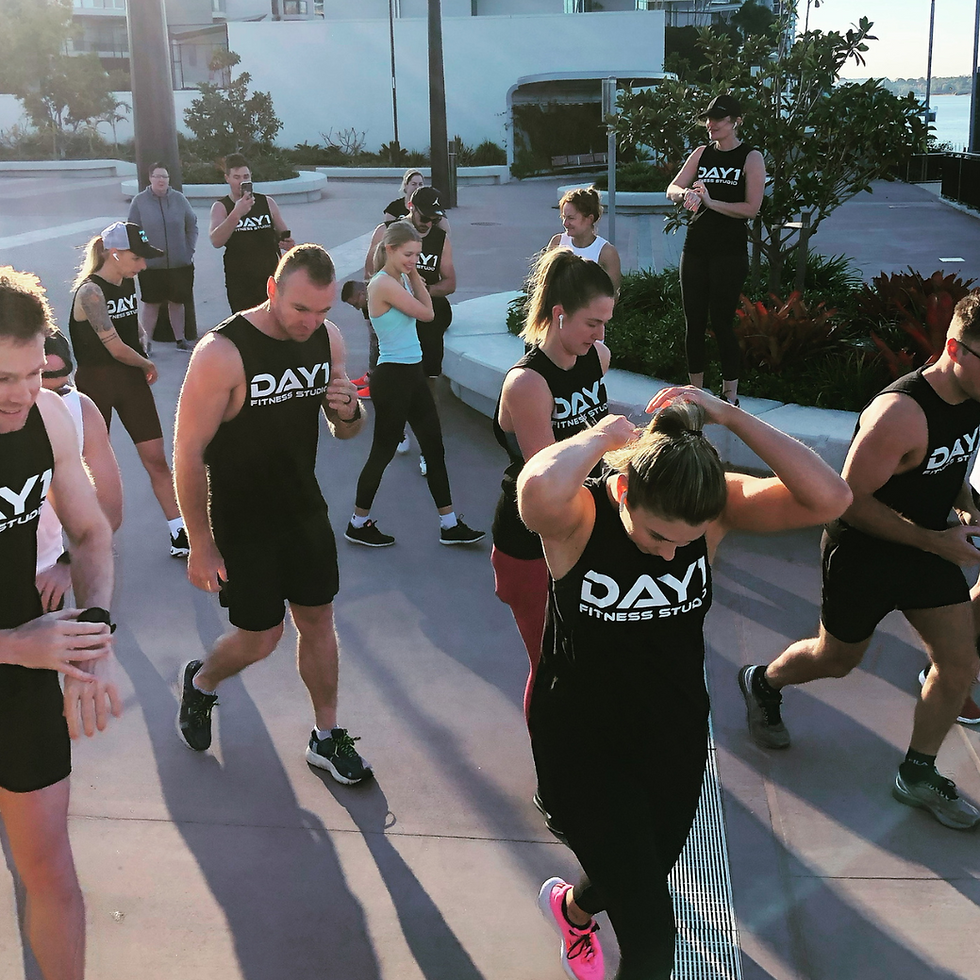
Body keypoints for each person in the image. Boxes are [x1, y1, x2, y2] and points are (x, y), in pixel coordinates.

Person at [518, 386, 850, 980]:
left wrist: (728, 415)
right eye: (655, 537)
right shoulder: (580, 519)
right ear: (623, 490)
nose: (671, 556)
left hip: (672, 734)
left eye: (684, 541)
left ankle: (570, 908)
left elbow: (830, 497)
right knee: (653, 942)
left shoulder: (713, 512)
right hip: (584, 745)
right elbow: (535, 489)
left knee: (645, 866)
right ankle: (587, 918)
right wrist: (602, 437)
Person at [739, 291, 980, 832]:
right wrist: (936, 542)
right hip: (865, 553)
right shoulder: (899, 414)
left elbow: (951, 462)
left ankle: (917, 773)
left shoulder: (974, 392)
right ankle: (763, 682)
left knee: (959, 662)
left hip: (926, 549)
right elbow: (849, 500)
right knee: (836, 658)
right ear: (956, 349)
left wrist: (966, 506)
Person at [173, 244, 372, 784]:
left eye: (324, 311)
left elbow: (346, 428)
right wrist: (200, 541)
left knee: (318, 619)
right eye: (301, 309)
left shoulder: (328, 339)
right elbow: (188, 453)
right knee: (261, 637)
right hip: (241, 517)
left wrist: (349, 410)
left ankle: (326, 737)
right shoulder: (223, 353)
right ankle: (202, 682)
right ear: (271, 290)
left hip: (302, 505)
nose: (312, 322)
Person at [0, 266, 121, 980]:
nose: (17, 394)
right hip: (21, 649)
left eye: (27, 373)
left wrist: (90, 637)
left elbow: (92, 534)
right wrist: (18, 645)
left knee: (50, 870)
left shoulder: (45, 416)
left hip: (27, 671)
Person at [492, 249, 613, 721]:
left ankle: (584, 749)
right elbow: (546, 484)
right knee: (551, 663)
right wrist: (605, 440)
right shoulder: (527, 384)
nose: (601, 335)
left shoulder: (596, 358)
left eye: (605, 322)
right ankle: (554, 776)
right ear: (559, 315)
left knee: (585, 657)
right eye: (592, 323)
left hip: (580, 531)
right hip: (530, 544)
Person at [346, 220, 483, 548]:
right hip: (392, 379)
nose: (414, 261)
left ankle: (449, 524)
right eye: (408, 254)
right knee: (382, 452)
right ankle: (357, 522)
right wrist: (413, 277)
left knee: (434, 448)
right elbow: (426, 313)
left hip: (412, 374)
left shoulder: (400, 280)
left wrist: (411, 275)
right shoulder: (382, 285)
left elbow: (427, 309)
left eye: (418, 255)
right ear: (390, 250)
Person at [68, 221, 188, 557]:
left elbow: (130, 326)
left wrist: (141, 344)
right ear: (115, 254)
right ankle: (89, 536)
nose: (143, 265)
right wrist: (147, 363)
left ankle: (179, 531)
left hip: (129, 383)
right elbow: (115, 347)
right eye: (138, 258)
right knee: (91, 466)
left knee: (156, 459)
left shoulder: (125, 282)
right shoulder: (90, 292)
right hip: (96, 385)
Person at [667, 94, 766, 406]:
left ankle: (729, 395)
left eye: (719, 119)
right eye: (708, 118)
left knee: (721, 322)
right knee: (693, 323)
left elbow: (751, 208)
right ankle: (695, 393)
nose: (711, 124)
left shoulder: (751, 157)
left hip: (729, 252)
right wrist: (685, 196)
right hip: (695, 247)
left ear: (736, 121)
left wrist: (711, 203)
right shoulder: (701, 154)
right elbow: (672, 187)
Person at [35, 330, 123, 613]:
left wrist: (67, 563)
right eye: (41, 391)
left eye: (62, 390)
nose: (55, 404)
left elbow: (109, 508)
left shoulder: (79, 408)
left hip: (41, 580)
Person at [209, 153, 296, 314]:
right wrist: (237, 213)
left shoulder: (267, 202)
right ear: (227, 178)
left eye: (246, 176)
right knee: (245, 327)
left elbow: (284, 234)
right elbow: (216, 240)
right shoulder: (221, 207)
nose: (241, 181)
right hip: (240, 280)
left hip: (269, 277)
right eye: (236, 177)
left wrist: (287, 242)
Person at [127, 161, 198, 351]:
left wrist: (188, 250)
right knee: (151, 304)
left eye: (164, 176)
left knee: (177, 302)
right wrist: (143, 250)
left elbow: (191, 225)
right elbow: (134, 228)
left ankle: (180, 340)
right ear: (150, 178)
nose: (161, 180)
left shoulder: (179, 199)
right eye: (157, 176)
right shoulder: (140, 201)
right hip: (151, 265)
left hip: (179, 263)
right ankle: (145, 342)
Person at [546, 187, 622, 296]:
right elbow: (545, 285)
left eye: (571, 218)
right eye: (564, 217)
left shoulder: (606, 252)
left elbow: (612, 296)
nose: (565, 223)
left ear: (589, 219)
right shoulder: (557, 242)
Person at [382, 168, 451, 235]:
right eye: (414, 184)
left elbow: (446, 231)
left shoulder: (431, 205)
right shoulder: (394, 207)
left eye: (420, 184)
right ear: (406, 185)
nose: (417, 187)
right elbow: (387, 232)